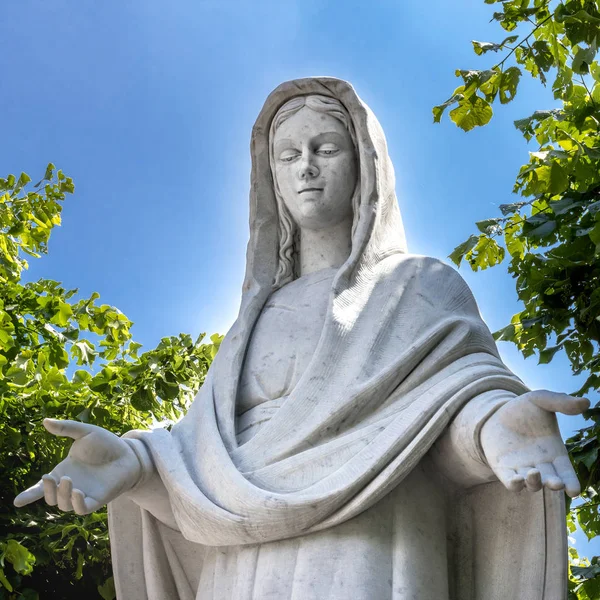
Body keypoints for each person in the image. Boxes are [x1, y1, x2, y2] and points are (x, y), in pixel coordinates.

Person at [15, 77, 589, 600]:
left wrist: (495, 426)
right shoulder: (246, 327)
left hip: (370, 538)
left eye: (326, 149)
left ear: (365, 166)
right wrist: (136, 460)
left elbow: (440, 421)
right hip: (241, 560)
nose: (305, 168)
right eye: (287, 156)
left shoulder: (419, 286)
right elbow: (201, 461)